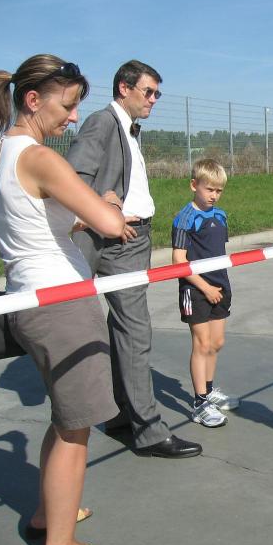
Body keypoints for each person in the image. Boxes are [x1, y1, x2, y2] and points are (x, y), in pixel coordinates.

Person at [0, 54, 125, 545]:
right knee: (75, 428)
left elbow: (5, 231)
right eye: (67, 106)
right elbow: (111, 225)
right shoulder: (40, 158)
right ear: (32, 100)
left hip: (26, 297)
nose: (73, 117)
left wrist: (72, 218)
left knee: (65, 416)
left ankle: (49, 514)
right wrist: (109, 204)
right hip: (63, 304)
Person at [66, 60, 202, 458]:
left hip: (131, 239)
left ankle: (121, 416)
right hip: (115, 239)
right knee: (135, 332)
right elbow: (73, 178)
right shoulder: (102, 122)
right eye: (149, 91)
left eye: (158, 93)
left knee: (122, 330)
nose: (154, 99)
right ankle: (149, 431)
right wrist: (106, 210)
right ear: (124, 88)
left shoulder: (127, 128)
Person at [172, 159, 239, 428]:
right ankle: (200, 403)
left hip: (220, 286)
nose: (214, 195)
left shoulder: (220, 216)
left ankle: (209, 392)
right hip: (196, 289)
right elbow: (178, 261)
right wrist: (205, 287)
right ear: (194, 185)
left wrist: (218, 286)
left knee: (216, 343)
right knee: (201, 344)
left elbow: (218, 252)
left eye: (219, 190)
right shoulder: (185, 218)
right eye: (209, 189)